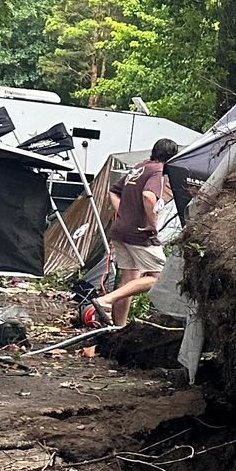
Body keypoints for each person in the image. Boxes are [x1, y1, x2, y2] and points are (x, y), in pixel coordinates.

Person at [93, 138, 179, 330]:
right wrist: (152, 224)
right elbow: (148, 196)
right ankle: (105, 300)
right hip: (139, 234)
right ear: (172, 158)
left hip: (120, 230)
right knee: (158, 277)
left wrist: (123, 212)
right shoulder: (158, 172)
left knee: (129, 281)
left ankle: (118, 328)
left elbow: (113, 191)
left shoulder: (139, 168)